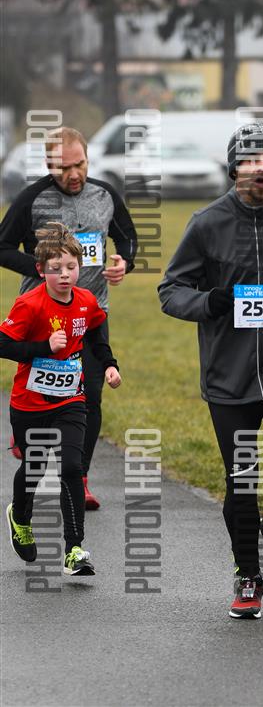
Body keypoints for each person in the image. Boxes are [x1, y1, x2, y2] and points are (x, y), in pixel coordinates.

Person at [158, 123, 263, 619]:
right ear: (233, 169)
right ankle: (249, 577)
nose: (260, 168)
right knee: (242, 482)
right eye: (250, 160)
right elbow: (171, 291)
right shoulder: (206, 223)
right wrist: (209, 302)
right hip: (228, 377)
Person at [0, 126, 137, 510]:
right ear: (49, 165)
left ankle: (80, 477)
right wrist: (45, 267)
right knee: (41, 388)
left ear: (88, 159)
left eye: (79, 164)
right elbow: (2, 246)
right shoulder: (32, 199)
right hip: (41, 316)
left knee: (89, 395)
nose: (73, 174)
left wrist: (125, 261)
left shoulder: (105, 194)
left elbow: (127, 236)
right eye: (63, 168)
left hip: (91, 312)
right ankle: (24, 434)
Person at [0, 222, 121, 575]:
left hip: (71, 399)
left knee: (71, 467)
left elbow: (96, 333)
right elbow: (3, 344)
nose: (65, 274)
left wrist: (109, 365)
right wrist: (43, 348)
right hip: (30, 402)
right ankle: (20, 517)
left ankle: (74, 550)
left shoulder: (86, 301)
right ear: (41, 270)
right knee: (34, 468)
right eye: (56, 268)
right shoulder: (29, 304)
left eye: (71, 267)